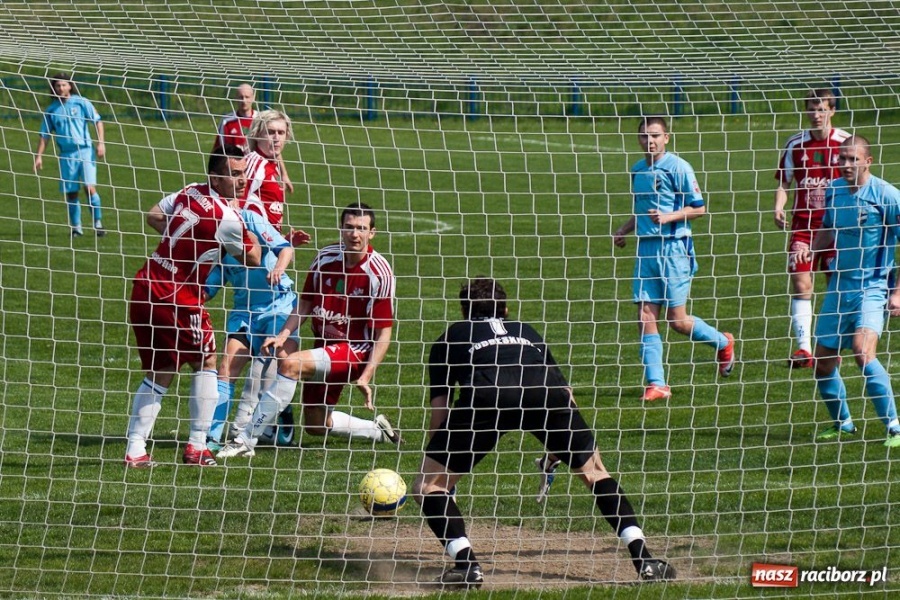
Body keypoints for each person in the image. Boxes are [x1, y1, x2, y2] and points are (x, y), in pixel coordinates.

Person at [412, 278, 676, 588]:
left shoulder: (450, 337)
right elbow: (566, 393)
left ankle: (467, 565)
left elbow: (440, 411)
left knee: (428, 487)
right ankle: (645, 560)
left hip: (490, 394)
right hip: (546, 393)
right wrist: (560, 447)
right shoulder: (526, 331)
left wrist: (437, 459)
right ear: (506, 309)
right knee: (596, 473)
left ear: (464, 311)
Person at [217, 202, 400, 458]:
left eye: (361, 228)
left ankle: (245, 439)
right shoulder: (325, 258)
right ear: (341, 228)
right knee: (316, 424)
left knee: (290, 365)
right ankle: (377, 430)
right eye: (349, 227)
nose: (354, 234)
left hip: (356, 350)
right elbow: (305, 303)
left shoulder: (379, 273)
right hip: (324, 346)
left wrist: (367, 375)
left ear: (372, 233)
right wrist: (282, 335)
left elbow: (383, 332)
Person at [125, 145, 262, 468]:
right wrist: (239, 224)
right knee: (208, 362)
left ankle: (135, 450)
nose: (242, 181)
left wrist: (188, 248)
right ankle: (198, 447)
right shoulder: (227, 217)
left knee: (161, 370)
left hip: (146, 287)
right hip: (179, 300)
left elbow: (155, 215)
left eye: (244, 173)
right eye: (235, 174)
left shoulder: (189, 191)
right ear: (215, 177)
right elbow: (253, 258)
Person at [613, 116, 735, 402]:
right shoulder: (638, 169)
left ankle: (723, 341)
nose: (650, 141)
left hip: (674, 249)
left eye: (655, 135)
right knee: (645, 315)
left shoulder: (678, 167)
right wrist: (624, 229)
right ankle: (657, 383)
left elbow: (699, 208)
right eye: (644, 136)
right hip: (646, 250)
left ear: (666, 138)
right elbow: (642, 210)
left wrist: (670, 216)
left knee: (677, 322)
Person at [796, 135, 900, 447]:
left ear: (869, 161)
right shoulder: (835, 190)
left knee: (862, 351)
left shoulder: (886, 195)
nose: (846, 164)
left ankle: (894, 428)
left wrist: (897, 291)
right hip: (840, 286)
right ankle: (843, 424)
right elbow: (828, 228)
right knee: (824, 360)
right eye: (842, 159)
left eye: (853, 159)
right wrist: (810, 249)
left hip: (872, 285)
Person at [203, 194, 299, 452]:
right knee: (226, 369)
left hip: (278, 306)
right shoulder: (215, 237)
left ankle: (284, 412)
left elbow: (285, 248)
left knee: (279, 368)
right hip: (244, 312)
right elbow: (210, 286)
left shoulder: (250, 219)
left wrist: (278, 268)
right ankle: (211, 440)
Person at [774, 89, 850, 368]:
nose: (816, 115)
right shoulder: (795, 144)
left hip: (836, 228)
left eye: (822, 109)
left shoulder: (844, 143)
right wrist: (779, 206)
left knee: (836, 286)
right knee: (801, 283)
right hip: (803, 227)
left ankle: (832, 344)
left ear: (832, 110)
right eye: (811, 109)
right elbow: (784, 181)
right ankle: (804, 349)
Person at [33, 72, 107, 237]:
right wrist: (38, 156)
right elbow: (44, 135)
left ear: (70, 86)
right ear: (54, 88)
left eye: (64, 85)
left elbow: (98, 121)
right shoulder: (52, 110)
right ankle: (76, 227)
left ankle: (98, 223)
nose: (61, 88)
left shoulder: (81, 102)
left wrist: (101, 143)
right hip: (66, 155)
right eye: (58, 85)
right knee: (71, 192)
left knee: (89, 187)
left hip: (85, 151)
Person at [213, 83, 293, 193]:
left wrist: (284, 174)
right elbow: (219, 152)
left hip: (262, 171)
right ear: (236, 98)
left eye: (247, 97)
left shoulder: (262, 120)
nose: (244, 101)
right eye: (241, 97)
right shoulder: (227, 121)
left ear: (253, 97)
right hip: (238, 173)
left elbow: (275, 149)